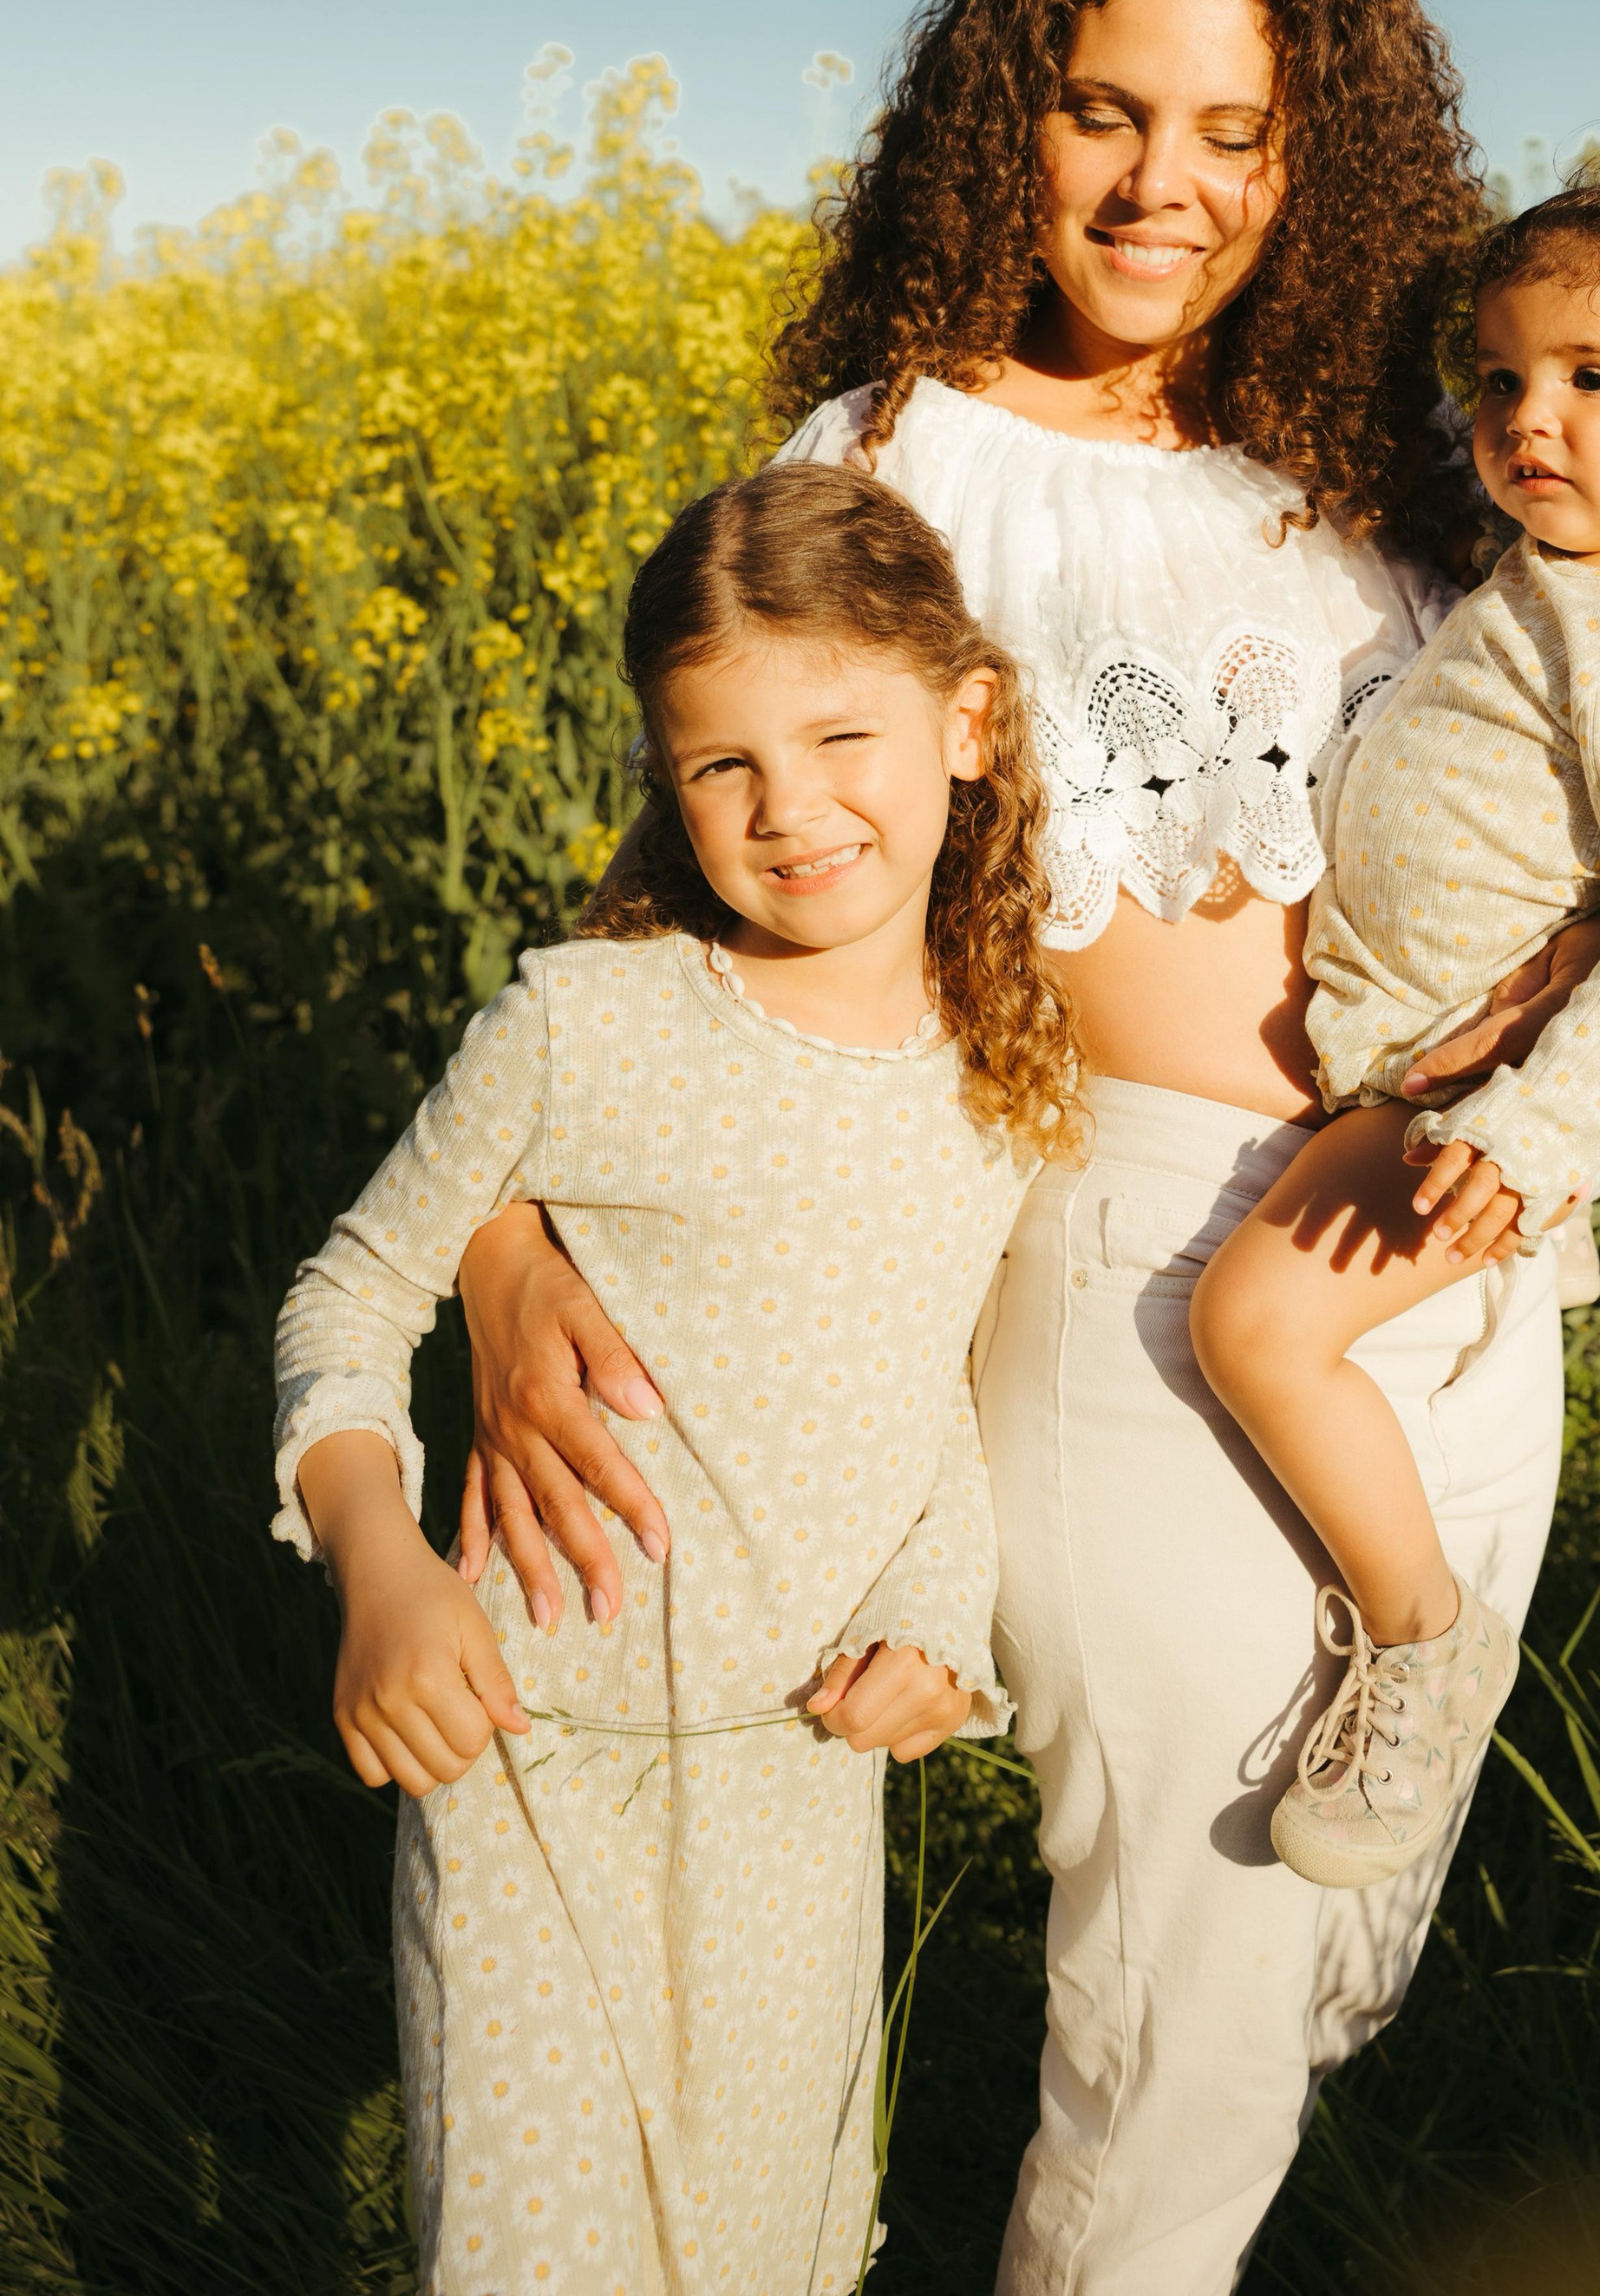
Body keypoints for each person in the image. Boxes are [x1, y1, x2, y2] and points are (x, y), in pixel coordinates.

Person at [450, 0, 1600, 2295]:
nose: (1165, 186)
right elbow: (719, 860)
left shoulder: (1398, 473)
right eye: (1107, 112)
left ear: (1316, 164)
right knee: (1182, 2027)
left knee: (1333, 1959)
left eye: (1236, 131)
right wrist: (496, 1234)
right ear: (1015, 120)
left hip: (1470, 1253)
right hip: (1158, 1267)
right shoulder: (900, 458)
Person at [270, 464, 1082, 2295]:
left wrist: (935, 1631)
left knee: (763, 2258)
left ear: (965, 722)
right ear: (666, 775)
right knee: (531, 2258)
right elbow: (349, 1290)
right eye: (721, 765)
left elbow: (926, 1410)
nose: (788, 810)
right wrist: (378, 1564)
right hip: (529, 1768)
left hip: (795, 1790)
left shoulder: (1002, 1074)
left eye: (838, 737)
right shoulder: (587, 1020)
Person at [1192, 163, 1600, 1887]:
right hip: (1422, 1064)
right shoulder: (1564, 573)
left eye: (1587, 379)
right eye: (1494, 380)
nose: (1520, 419)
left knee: (1253, 1327)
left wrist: (1535, 1132)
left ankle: (1422, 1644)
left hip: (1471, 1090)